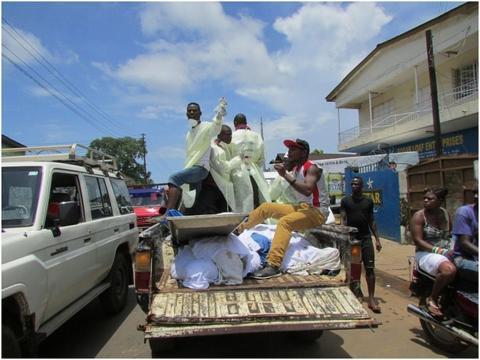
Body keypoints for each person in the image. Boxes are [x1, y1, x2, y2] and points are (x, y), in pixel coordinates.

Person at [236, 139, 330, 279]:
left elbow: (308, 190)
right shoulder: (297, 168)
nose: (289, 152)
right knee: (267, 207)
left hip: (317, 211)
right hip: (303, 208)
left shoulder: (312, 168)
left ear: (304, 152)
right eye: (289, 150)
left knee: (285, 223)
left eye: (293, 150)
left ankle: (273, 265)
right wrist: (287, 169)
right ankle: (238, 230)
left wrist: (285, 175)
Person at [164, 98, 227, 213]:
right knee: (189, 201)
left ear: (200, 113)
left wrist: (219, 114)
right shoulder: (189, 133)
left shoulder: (206, 127)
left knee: (173, 178)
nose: (192, 113)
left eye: (194, 111)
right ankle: (180, 218)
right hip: (192, 168)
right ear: (186, 114)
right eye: (189, 111)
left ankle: (168, 214)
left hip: (200, 169)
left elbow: (216, 128)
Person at [410, 187, 455, 317]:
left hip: (445, 251)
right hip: (425, 253)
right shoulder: (419, 216)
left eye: (430, 199)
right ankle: (433, 298)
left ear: (440, 200)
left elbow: (450, 235)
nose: (425, 200)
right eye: (425, 198)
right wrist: (439, 250)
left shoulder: (446, 214)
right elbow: (418, 241)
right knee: (449, 270)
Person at [340, 176, 382, 313]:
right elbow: (343, 219)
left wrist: (377, 239)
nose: (354, 186)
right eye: (352, 184)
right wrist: (344, 235)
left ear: (362, 186)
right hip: (352, 239)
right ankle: (356, 293)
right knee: (354, 268)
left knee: (370, 268)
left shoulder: (368, 202)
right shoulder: (345, 201)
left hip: (365, 238)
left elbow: (372, 221)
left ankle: (371, 298)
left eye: (357, 184)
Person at [229, 113, 271, 212]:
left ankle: (242, 224)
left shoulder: (231, 136)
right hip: (254, 173)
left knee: (240, 202)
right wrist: (254, 165)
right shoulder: (256, 136)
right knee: (256, 201)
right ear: (246, 122)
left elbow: (228, 156)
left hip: (237, 173)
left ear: (235, 123)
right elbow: (262, 157)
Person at [451, 188, 478, 284]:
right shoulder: (464, 212)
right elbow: (464, 243)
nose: (476, 196)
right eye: (475, 193)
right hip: (462, 258)